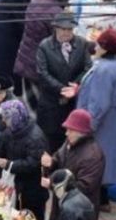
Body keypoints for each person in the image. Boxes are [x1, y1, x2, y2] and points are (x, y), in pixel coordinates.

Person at [76, 28, 116, 213]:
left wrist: (87, 127)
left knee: (95, 161)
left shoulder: (105, 70)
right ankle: (103, 200)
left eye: (99, 44)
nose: (95, 46)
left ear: (106, 49)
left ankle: (94, 201)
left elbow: (99, 103)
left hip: (102, 123)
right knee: (106, 160)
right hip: (113, 121)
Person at [41, 109, 105, 220]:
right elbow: (59, 157)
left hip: (80, 213)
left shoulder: (93, 156)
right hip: (65, 207)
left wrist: (52, 184)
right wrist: (51, 162)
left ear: (81, 131)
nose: (66, 133)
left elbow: (84, 187)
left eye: (70, 130)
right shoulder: (70, 142)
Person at [35, 11, 93, 152]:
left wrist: (75, 86)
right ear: (55, 28)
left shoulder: (82, 44)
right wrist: (62, 89)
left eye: (69, 29)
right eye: (63, 29)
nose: (66, 33)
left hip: (72, 104)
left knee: (70, 140)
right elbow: (42, 73)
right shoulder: (45, 46)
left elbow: (88, 68)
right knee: (50, 140)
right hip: (51, 103)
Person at [15, 0, 79, 104]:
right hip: (40, 65)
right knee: (40, 104)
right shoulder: (57, 14)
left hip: (25, 57)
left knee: (28, 100)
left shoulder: (37, 0)